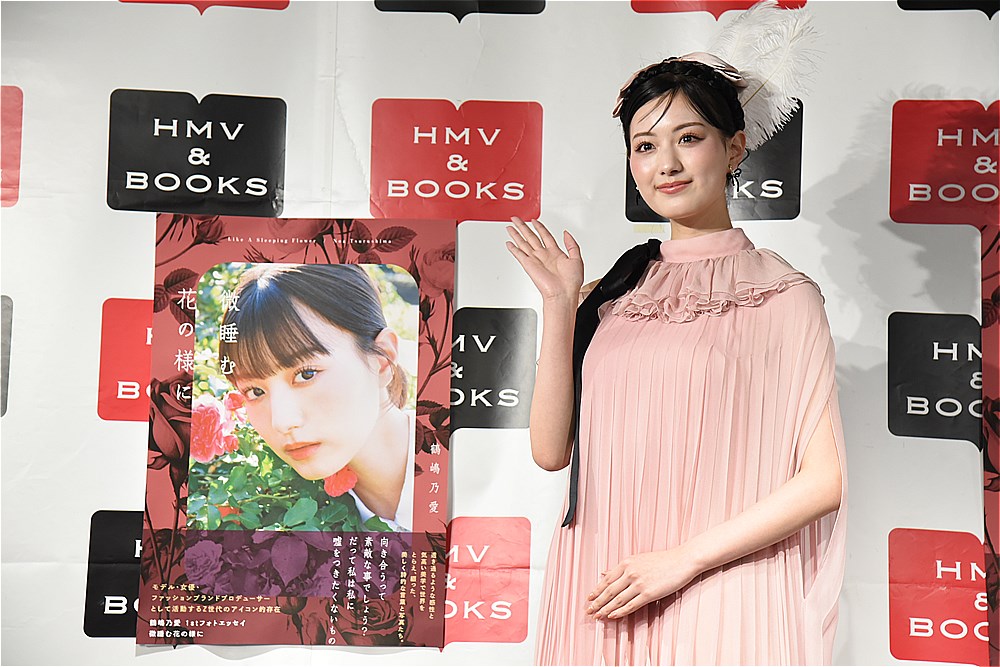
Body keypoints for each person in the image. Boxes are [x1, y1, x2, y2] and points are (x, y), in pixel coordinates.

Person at [505, 54, 847, 664]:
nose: (666, 164)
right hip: (605, 581)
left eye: (688, 138)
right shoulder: (609, 294)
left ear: (734, 147)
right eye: (645, 146)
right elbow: (550, 451)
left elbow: (824, 481)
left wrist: (683, 560)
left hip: (722, 585)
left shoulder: (784, 296)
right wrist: (560, 304)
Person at [218, 263, 414, 532]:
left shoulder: (463, 468)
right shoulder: (282, 510)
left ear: (382, 360)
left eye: (306, 374)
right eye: (255, 391)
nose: (282, 422)